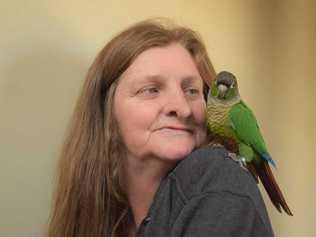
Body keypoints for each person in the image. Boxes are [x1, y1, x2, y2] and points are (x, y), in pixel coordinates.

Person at [47, 19, 274, 237]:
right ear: (107, 112)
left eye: (191, 91)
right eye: (151, 89)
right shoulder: (102, 215)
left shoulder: (220, 184)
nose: (182, 108)